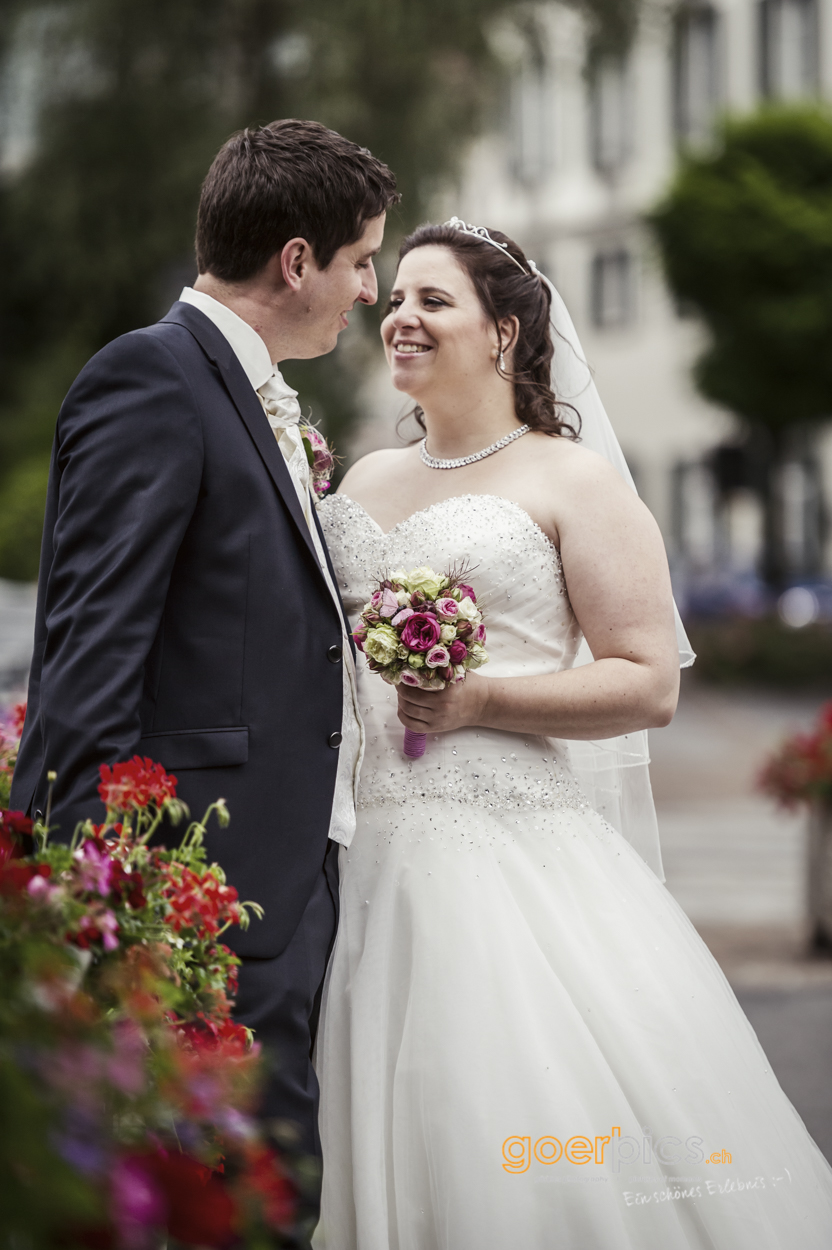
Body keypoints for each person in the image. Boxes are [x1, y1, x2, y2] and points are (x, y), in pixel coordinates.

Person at [312, 219, 832, 1248]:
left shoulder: (574, 480)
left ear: (503, 330)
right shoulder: (362, 482)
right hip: (356, 840)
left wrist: (479, 702)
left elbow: (646, 683)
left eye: (433, 300)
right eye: (397, 296)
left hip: (503, 851)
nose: (400, 317)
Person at [10, 119, 398, 1238]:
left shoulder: (254, 390)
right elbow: (89, 657)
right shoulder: (153, 379)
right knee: (233, 1208)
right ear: (295, 261)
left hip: (286, 883)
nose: (367, 289)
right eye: (360, 259)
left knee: (276, 1194)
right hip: (196, 897)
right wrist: (84, 913)